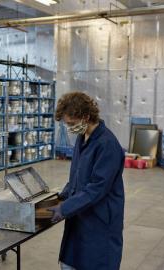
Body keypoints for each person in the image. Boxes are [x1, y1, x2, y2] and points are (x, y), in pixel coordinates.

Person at [47, 92, 125, 270]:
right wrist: (62, 196)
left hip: (100, 220)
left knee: (96, 262)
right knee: (70, 262)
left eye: (72, 124)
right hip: (80, 215)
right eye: (67, 124)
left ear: (86, 117)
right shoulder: (82, 138)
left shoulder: (107, 145)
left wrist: (65, 208)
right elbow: (77, 175)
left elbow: (97, 188)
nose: (70, 129)